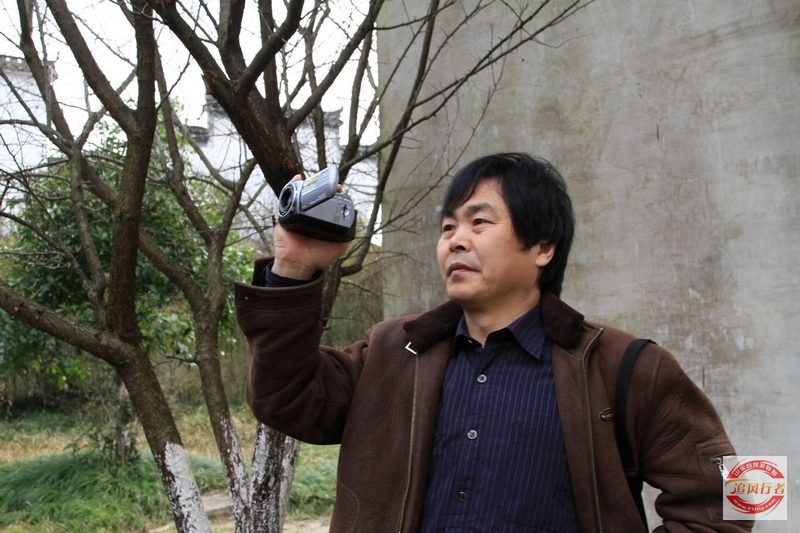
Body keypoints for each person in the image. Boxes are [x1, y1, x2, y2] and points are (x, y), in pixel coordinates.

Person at [235, 152, 752, 532]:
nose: (455, 240)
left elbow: (745, 492)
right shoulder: (394, 351)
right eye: (447, 228)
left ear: (543, 247)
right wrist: (294, 266)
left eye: (479, 223)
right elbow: (285, 399)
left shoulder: (626, 365)